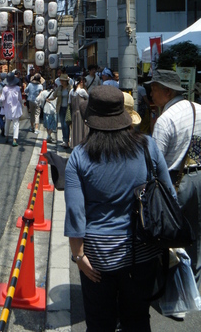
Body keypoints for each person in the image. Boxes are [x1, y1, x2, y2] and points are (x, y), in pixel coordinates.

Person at [65, 85, 175, 331]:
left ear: (91, 120)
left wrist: (78, 256)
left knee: (99, 322)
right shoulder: (148, 146)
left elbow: (75, 212)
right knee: (137, 320)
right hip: (142, 251)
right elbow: (169, 195)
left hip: (97, 256)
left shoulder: (80, 156)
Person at [146, 69, 201, 287]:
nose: (151, 93)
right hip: (198, 177)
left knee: (169, 236)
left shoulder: (165, 119)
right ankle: (193, 286)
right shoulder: (198, 109)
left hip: (174, 183)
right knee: (196, 235)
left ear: (167, 92)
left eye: (154, 89)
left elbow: (154, 162)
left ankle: (173, 288)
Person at [0, 71, 23, 147]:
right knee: (16, 123)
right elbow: (20, 98)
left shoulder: (5, 88)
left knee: (7, 122)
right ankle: (14, 139)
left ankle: (6, 136)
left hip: (7, 108)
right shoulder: (17, 88)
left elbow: (2, 98)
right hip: (16, 107)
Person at [48, 73, 71, 148]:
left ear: (66, 81)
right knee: (63, 124)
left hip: (68, 108)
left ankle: (66, 140)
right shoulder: (59, 88)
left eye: (63, 80)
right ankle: (65, 140)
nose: (61, 82)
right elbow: (54, 95)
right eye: (61, 80)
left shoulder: (69, 88)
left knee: (66, 124)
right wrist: (48, 99)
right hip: (60, 108)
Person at [68, 76, 89, 148]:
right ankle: (82, 145)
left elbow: (69, 102)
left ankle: (74, 145)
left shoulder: (71, 91)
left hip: (74, 112)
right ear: (81, 82)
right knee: (82, 129)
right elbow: (88, 99)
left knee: (75, 129)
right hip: (81, 113)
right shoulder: (82, 91)